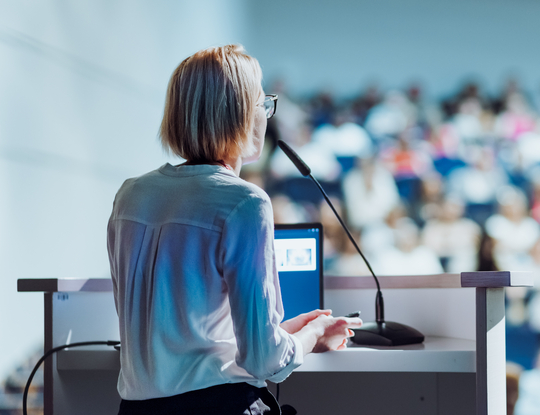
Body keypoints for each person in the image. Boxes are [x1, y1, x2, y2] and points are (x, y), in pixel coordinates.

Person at [107, 45, 362, 414]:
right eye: (263, 104)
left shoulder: (130, 196)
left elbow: (190, 340)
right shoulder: (245, 203)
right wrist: (313, 335)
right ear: (240, 114)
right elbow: (266, 362)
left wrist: (285, 331)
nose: (267, 115)